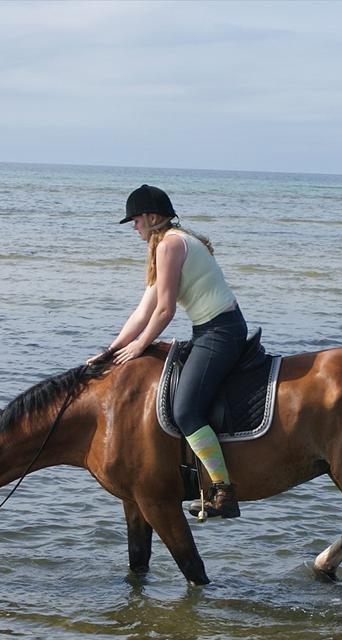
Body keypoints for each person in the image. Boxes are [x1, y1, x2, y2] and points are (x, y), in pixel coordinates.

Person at [90, 184, 246, 518]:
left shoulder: (170, 245)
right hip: (209, 329)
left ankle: (223, 490)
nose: (134, 227)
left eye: (135, 220)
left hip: (220, 331)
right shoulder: (166, 244)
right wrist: (111, 350)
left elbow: (164, 312)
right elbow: (143, 310)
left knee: (186, 411)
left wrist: (139, 346)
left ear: (152, 217)